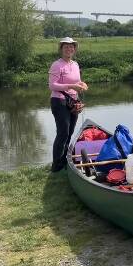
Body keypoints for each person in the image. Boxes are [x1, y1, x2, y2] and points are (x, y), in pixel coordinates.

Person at [48, 37, 88, 172]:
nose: (69, 49)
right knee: (62, 133)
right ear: (61, 49)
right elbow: (52, 85)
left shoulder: (75, 64)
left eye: (71, 47)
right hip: (59, 101)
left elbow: (78, 81)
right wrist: (71, 86)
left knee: (70, 133)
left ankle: (64, 161)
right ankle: (56, 166)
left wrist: (82, 85)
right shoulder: (56, 65)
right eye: (66, 47)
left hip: (73, 102)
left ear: (74, 49)